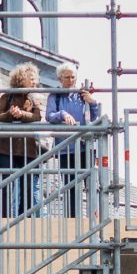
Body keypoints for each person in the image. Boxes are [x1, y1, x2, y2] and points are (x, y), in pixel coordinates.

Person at [45, 63, 101, 218]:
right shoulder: (55, 96)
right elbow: (49, 116)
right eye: (67, 77)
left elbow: (94, 118)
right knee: (70, 186)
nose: (70, 80)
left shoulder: (82, 95)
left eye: (73, 77)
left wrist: (93, 103)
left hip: (86, 146)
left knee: (90, 184)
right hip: (66, 148)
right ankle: (72, 220)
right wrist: (62, 114)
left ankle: (93, 219)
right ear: (60, 79)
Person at [0, 65, 45, 219]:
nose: (35, 82)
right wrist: (10, 114)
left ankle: (25, 218)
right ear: (21, 79)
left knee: (27, 186)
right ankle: (7, 219)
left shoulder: (32, 99)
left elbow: (37, 117)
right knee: (7, 185)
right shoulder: (7, 97)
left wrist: (21, 114)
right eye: (32, 78)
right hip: (7, 148)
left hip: (28, 149)